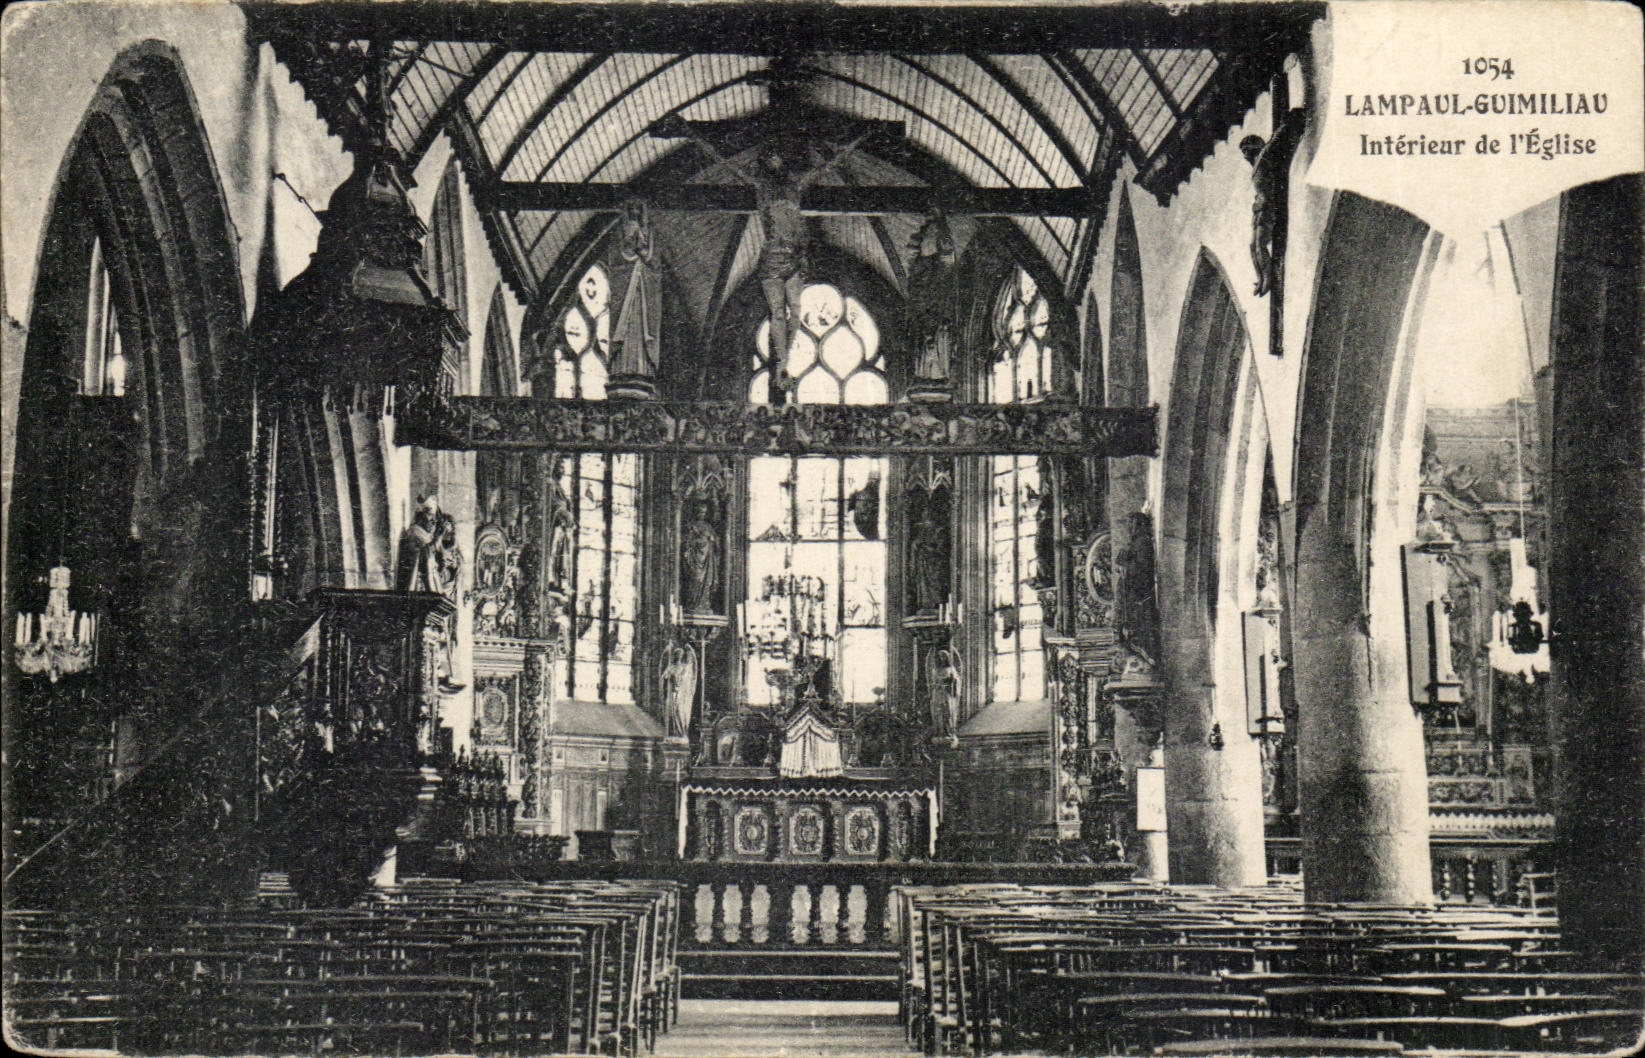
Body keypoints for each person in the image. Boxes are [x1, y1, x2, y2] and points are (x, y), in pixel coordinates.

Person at [667, 118, 870, 401]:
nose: (776, 160)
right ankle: (782, 367)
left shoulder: (796, 185)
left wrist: (859, 140)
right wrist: (694, 136)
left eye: (777, 156)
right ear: (766, 163)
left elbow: (829, 165)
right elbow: (726, 164)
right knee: (777, 312)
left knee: (796, 310)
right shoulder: (761, 188)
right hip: (774, 256)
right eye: (770, 157)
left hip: (796, 256)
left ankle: (784, 365)